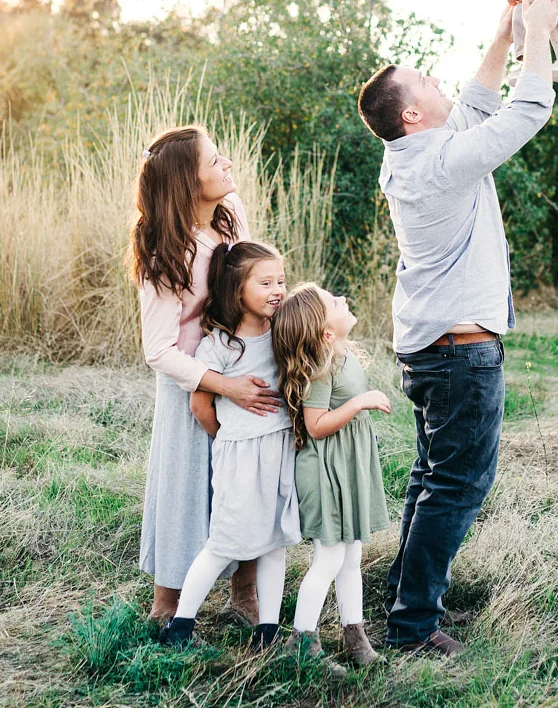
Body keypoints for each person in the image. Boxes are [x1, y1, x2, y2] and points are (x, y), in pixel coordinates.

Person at [355, 0, 558, 656]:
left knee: (432, 479)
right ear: (412, 114)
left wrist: (505, 34)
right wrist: (539, 32)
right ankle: (414, 627)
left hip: (436, 348)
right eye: (425, 81)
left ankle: (405, 605)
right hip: (458, 354)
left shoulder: (415, 153)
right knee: (456, 485)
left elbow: (478, 102)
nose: (437, 80)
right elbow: (527, 109)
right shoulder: (441, 162)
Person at [132, 126, 282, 625]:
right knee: (186, 487)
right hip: (191, 383)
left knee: (245, 478)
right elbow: (158, 350)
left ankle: (245, 593)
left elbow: (247, 278)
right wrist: (219, 387)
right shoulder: (165, 255)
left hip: (240, 363)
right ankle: (168, 603)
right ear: (187, 182)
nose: (228, 165)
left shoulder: (229, 214)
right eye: (215, 161)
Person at [158, 240, 300, 650]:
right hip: (239, 456)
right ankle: (180, 626)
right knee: (224, 542)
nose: (277, 290)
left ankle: (267, 631)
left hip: (279, 453)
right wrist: (229, 436)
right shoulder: (219, 345)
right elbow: (200, 404)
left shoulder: (282, 334)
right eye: (265, 283)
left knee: (275, 542)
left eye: (281, 281)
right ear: (238, 290)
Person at [273, 283, 391, 669]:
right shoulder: (322, 368)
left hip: (346, 467)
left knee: (351, 556)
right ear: (325, 333)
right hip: (326, 473)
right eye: (336, 303)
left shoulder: (343, 355)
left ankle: (355, 637)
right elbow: (316, 425)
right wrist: (359, 403)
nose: (344, 300)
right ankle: (301, 644)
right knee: (329, 559)